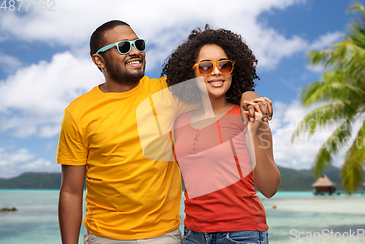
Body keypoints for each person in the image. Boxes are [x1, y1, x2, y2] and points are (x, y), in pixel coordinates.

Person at [57, 20, 272, 244]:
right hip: (103, 237)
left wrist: (249, 95)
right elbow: (71, 191)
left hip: (165, 236)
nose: (135, 52)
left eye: (139, 44)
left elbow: (219, 85)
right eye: (123, 47)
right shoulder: (78, 113)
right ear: (99, 60)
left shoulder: (169, 92)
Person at [162, 26, 281, 244]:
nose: (216, 72)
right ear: (193, 73)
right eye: (206, 67)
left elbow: (270, 188)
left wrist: (254, 132)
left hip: (242, 234)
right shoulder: (179, 121)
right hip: (193, 235)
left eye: (224, 65)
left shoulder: (249, 114)